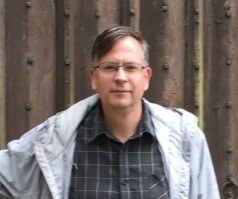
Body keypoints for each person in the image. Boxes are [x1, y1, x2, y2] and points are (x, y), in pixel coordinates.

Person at [0, 26, 220, 199]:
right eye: (110, 67)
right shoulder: (56, 138)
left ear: (147, 77)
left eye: (131, 67)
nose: (121, 77)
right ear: (94, 78)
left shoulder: (185, 138)